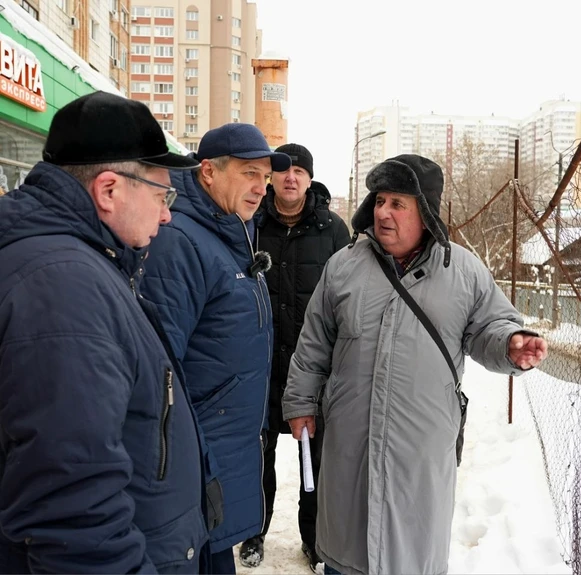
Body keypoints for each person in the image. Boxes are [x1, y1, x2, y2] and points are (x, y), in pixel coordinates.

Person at [282, 154, 548, 575]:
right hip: (350, 443)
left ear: (425, 212)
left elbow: (490, 327)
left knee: (412, 555)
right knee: (345, 551)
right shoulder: (344, 266)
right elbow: (314, 342)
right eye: (379, 200)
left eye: (397, 204)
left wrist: (511, 345)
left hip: (420, 449)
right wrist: (300, 402)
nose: (382, 212)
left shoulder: (463, 271)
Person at [0, 91, 209, 573]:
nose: (167, 214)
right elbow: (72, 508)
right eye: (161, 195)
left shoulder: (82, 261)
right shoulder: (63, 287)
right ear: (109, 190)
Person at [139, 123, 292, 574]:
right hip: (192, 469)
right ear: (208, 172)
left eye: (265, 177)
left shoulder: (228, 234)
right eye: (249, 174)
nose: (261, 188)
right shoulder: (181, 242)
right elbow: (159, 371)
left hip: (219, 459)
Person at [238, 144, 350, 570]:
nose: (291, 178)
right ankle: (253, 533)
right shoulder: (250, 223)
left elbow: (347, 295)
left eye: (299, 171)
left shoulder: (332, 229)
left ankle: (314, 540)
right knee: (257, 459)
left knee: (315, 464)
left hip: (312, 371)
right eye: (283, 170)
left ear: (309, 179)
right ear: (271, 177)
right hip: (259, 366)